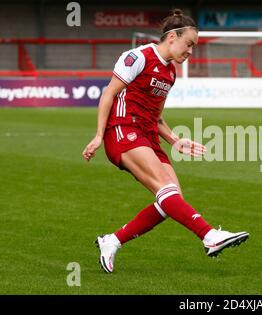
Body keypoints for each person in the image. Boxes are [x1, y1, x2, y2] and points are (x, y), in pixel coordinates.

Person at [82, 9, 249, 273]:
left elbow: (157, 118)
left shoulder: (170, 73)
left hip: (148, 137)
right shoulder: (138, 56)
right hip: (123, 131)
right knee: (166, 190)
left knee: (171, 200)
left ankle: (112, 240)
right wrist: (98, 135)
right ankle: (209, 235)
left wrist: (174, 140)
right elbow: (108, 94)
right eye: (189, 44)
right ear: (172, 37)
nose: (191, 51)